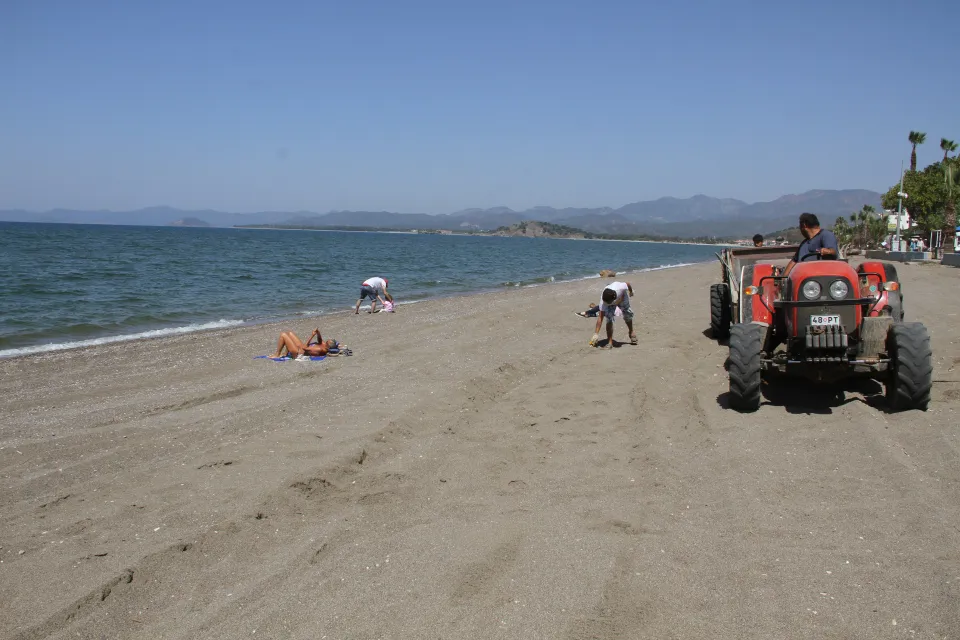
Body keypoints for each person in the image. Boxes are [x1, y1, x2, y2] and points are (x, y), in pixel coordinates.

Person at [782, 213, 839, 277]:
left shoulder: (826, 235)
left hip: (819, 277)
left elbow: (833, 251)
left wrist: (828, 251)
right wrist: (783, 278)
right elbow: (794, 261)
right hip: (802, 277)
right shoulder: (803, 244)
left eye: (800, 227)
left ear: (804, 225)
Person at [590, 281, 637, 348]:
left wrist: (631, 292)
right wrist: (596, 334)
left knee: (627, 313)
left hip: (622, 297)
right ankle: (610, 342)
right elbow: (600, 317)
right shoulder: (603, 302)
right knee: (609, 318)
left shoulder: (620, 288)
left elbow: (628, 284)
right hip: (611, 299)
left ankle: (631, 332)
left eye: (609, 303)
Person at [268, 328, 337, 359]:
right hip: (300, 348)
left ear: (328, 347)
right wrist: (318, 333)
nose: (324, 342)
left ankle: (277, 354)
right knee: (290, 333)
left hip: (298, 353)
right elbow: (320, 341)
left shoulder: (319, 349)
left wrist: (312, 335)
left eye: (327, 342)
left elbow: (304, 348)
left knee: (283, 335)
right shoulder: (324, 346)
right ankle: (285, 353)